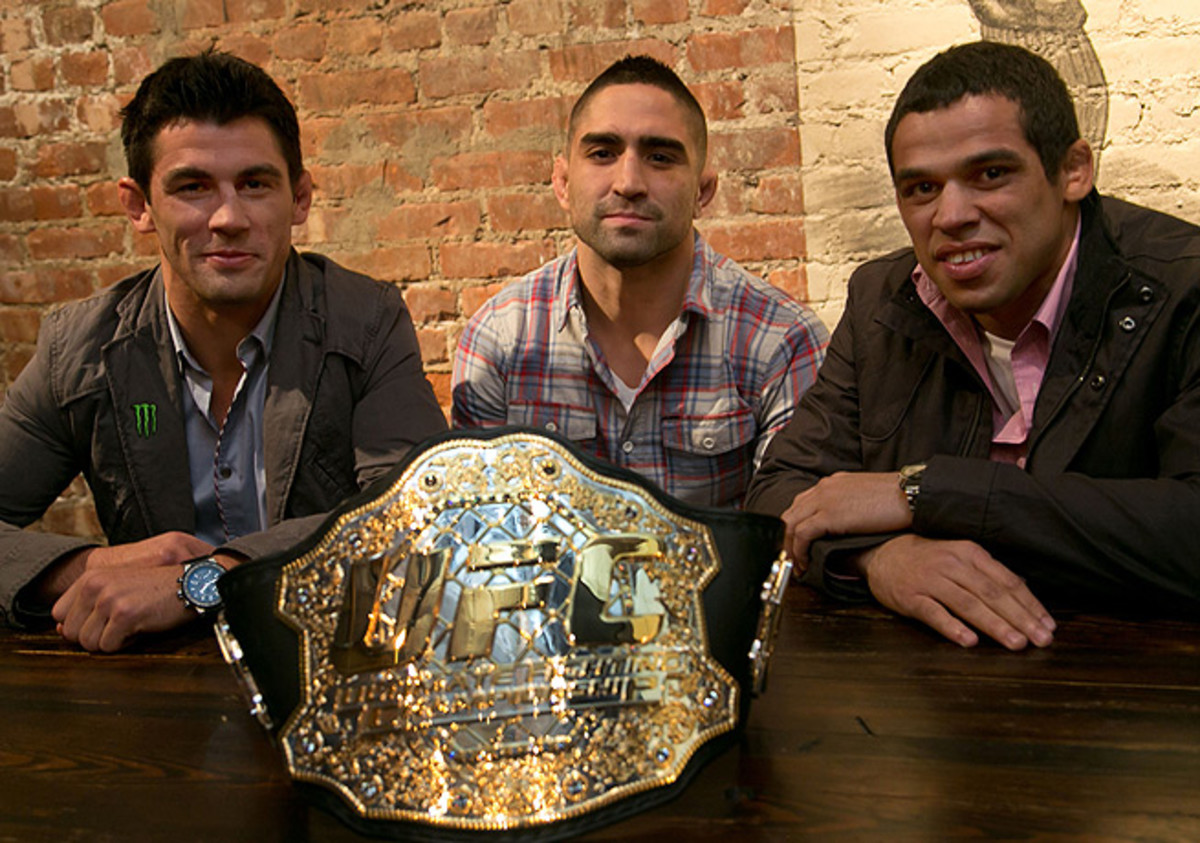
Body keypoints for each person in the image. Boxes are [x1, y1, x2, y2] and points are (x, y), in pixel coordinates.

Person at [746, 41, 1200, 650]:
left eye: (990, 174)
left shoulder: (1182, 290)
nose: (951, 215)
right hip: (928, 706)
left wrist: (925, 493)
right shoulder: (883, 298)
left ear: (1073, 171)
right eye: (922, 189)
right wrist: (881, 559)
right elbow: (781, 490)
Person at [0, 51, 447, 652]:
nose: (228, 217)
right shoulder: (79, 351)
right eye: (193, 187)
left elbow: (417, 518)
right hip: (152, 688)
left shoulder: (364, 322)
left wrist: (207, 581)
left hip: (317, 663)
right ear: (138, 206)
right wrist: (84, 570)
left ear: (301, 199)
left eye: (255, 184)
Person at [452, 55, 828, 508]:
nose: (629, 181)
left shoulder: (781, 343)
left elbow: (792, 545)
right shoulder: (498, 342)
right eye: (602, 153)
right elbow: (481, 541)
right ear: (563, 182)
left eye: (660, 157)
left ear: (703, 191)